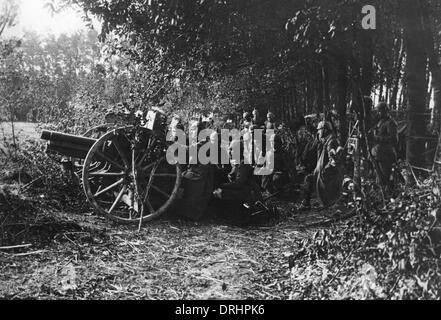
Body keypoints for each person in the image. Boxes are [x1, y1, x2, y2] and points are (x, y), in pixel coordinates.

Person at [300, 120, 341, 210]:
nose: (318, 132)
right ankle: (306, 203)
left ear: (324, 130)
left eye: (319, 130)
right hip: (324, 173)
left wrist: (324, 171)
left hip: (328, 175)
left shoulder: (331, 142)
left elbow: (333, 161)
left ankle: (306, 204)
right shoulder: (327, 141)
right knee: (309, 178)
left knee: (309, 179)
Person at [370, 102, 398, 191]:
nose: (378, 113)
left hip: (386, 155)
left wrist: (376, 138)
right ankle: (379, 198)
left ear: (386, 111)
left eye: (380, 111)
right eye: (378, 111)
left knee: (385, 178)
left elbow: (394, 140)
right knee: (378, 178)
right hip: (377, 154)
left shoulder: (391, 123)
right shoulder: (380, 122)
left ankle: (387, 198)